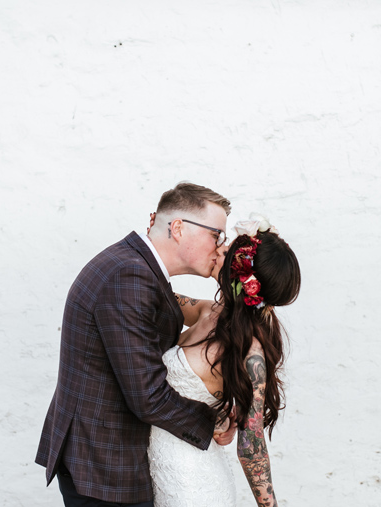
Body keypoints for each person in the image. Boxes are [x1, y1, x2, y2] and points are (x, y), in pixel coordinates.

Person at [35, 182, 237, 507]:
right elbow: (149, 397)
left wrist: (234, 288)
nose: (219, 246)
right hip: (103, 464)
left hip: (104, 456)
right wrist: (213, 421)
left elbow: (193, 310)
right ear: (179, 228)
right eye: (217, 235)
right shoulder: (129, 276)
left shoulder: (137, 268)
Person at [148, 214, 301, 507]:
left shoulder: (249, 352)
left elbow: (251, 442)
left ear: (240, 271)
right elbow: (153, 294)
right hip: (162, 471)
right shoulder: (210, 311)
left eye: (228, 248)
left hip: (192, 488)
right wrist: (156, 243)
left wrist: (269, 506)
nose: (220, 249)